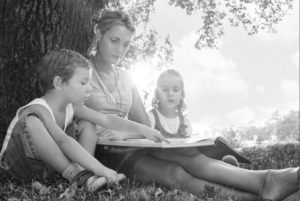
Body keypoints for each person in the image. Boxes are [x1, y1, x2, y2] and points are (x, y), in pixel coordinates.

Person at [80, 9, 299, 200]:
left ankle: (268, 180)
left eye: (126, 44)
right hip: (102, 152)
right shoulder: (81, 72)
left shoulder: (127, 77)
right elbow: (77, 117)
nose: (120, 49)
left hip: (132, 143)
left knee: (189, 156)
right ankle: (254, 197)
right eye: (114, 41)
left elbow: (145, 125)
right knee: (173, 173)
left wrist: (138, 136)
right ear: (99, 34)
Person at [0, 49, 166, 192]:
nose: (90, 87)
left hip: (46, 169)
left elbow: (106, 119)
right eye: (83, 82)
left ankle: (84, 173)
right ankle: (81, 176)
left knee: (88, 124)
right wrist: (100, 168)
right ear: (59, 83)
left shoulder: (72, 107)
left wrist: (144, 130)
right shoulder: (39, 108)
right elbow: (63, 141)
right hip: (16, 168)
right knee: (32, 121)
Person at [147, 68, 240, 167]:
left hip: (185, 158)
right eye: (165, 89)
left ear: (182, 94)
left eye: (175, 90)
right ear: (157, 93)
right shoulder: (151, 117)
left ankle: (225, 168)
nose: (170, 93)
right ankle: (223, 169)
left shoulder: (184, 121)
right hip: (162, 161)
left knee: (203, 156)